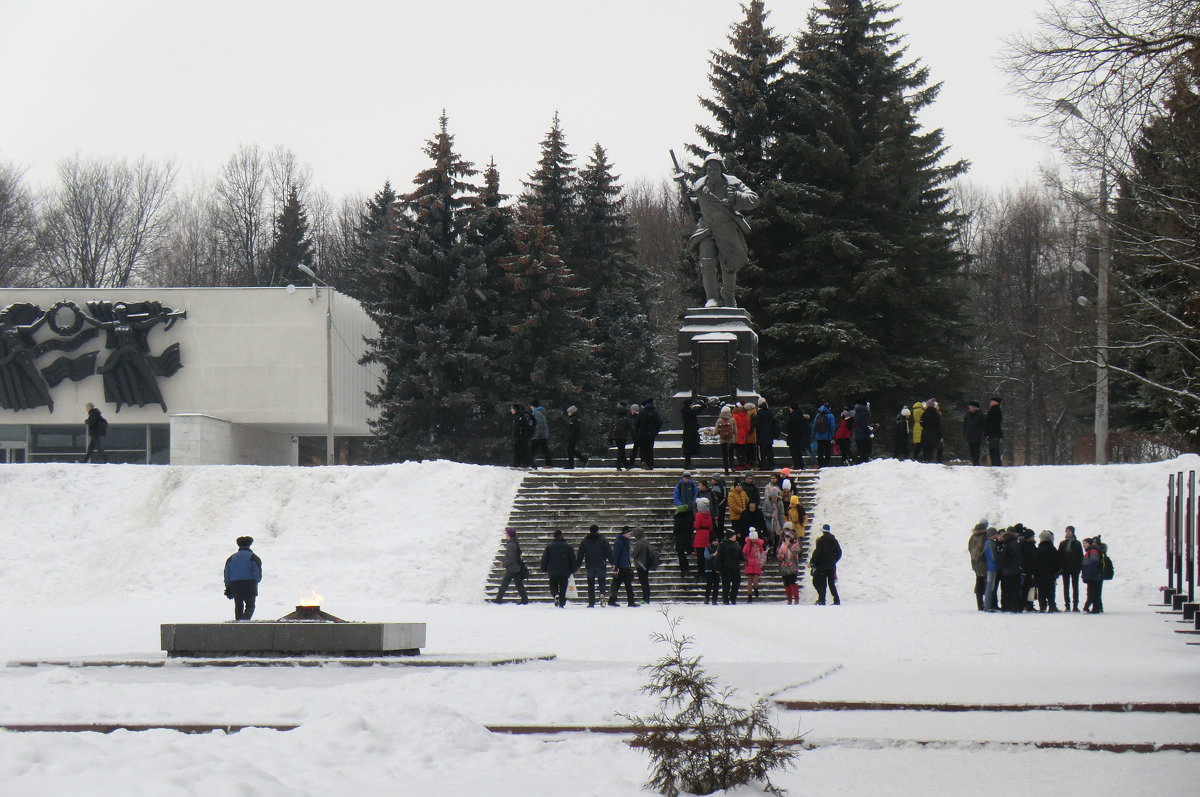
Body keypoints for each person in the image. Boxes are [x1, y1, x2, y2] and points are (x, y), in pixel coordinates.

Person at [684, 152, 760, 307]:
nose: (712, 172)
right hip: (706, 227)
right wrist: (687, 200)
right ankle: (711, 297)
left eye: (715, 169)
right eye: (709, 169)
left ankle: (728, 295)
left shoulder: (733, 183)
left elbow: (754, 199)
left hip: (727, 228)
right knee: (706, 261)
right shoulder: (699, 186)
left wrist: (736, 197)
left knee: (729, 264)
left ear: (721, 169)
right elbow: (695, 206)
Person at [223, 535, 263, 621]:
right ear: (250, 544)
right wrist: (257, 580)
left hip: (235, 585)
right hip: (250, 584)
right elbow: (257, 574)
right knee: (250, 606)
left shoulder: (231, 558)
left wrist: (228, 586)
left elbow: (227, 573)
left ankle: (238, 624)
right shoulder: (254, 557)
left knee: (238, 607)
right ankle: (244, 623)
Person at [576, 525, 612, 608]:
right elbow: (609, 553)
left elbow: (580, 554)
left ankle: (591, 602)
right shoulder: (603, 540)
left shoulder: (585, 541)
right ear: (597, 531)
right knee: (602, 582)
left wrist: (578, 565)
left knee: (590, 584)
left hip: (590, 565)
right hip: (601, 564)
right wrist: (612, 563)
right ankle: (602, 594)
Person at [540, 529, 577, 608]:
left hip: (552, 570)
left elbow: (545, 559)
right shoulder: (568, 547)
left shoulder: (549, 547)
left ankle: (555, 594)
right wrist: (573, 569)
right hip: (565, 570)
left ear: (554, 536)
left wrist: (543, 568)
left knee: (553, 584)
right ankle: (562, 602)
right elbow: (572, 559)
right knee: (563, 586)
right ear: (562, 535)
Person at [494, 527, 529, 604]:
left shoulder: (511, 544)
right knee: (518, 584)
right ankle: (525, 599)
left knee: (504, 584)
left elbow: (511, 558)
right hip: (516, 567)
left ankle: (498, 599)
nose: (505, 535)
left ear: (509, 535)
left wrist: (504, 564)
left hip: (512, 568)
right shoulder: (514, 542)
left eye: (506, 534)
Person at [810, 524, 842, 605]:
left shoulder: (820, 541)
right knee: (832, 584)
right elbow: (839, 553)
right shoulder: (834, 541)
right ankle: (836, 600)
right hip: (831, 566)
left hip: (822, 566)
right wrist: (833, 561)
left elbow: (818, 553)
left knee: (822, 584)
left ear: (823, 531)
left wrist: (813, 562)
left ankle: (822, 600)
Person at [608, 527, 638, 607]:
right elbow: (615, 555)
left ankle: (612, 600)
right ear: (625, 533)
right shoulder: (619, 542)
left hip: (625, 566)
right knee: (627, 585)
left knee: (617, 584)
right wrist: (615, 567)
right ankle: (631, 601)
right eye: (630, 533)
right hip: (622, 567)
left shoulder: (626, 541)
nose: (631, 535)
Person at [1058, 525, 1084, 612]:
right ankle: (1067, 605)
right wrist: (1060, 567)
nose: (1068, 533)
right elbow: (1060, 556)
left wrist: (1079, 567)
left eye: (1070, 531)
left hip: (1075, 568)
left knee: (1075, 587)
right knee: (1066, 587)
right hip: (1065, 568)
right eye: (1067, 531)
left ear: (1073, 532)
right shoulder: (1062, 543)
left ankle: (1075, 605)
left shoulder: (1077, 543)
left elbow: (1080, 556)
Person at [715, 530, 745, 604]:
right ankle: (725, 599)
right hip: (725, 567)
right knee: (726, 584)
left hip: (735, 567)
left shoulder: (737, 544)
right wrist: (717, 567)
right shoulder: (722, 544)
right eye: (733, 535)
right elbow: (718, 556)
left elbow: (741, 554)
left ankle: (733, 597)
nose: (735, 536)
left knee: (736, 583)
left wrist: (744, 559)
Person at [1035, 530, 1061, 612]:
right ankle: (1052, 605)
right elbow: (1057, 562)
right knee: (1051, 590)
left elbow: (1036, 561)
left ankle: (1042, 606)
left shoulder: (1039, 549)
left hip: (1041, 573)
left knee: (1042, 591)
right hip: (1051, 573)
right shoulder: (1053, 549)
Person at [777, 527, 803, 605]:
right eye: (785, 537)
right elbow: (778, 554)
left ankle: (796, 598)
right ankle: (789, 599)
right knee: (786, 583)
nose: (786, 539)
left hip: (792, 566)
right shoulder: (782, 545)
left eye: (788, 537)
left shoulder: (795, 544)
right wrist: (780, 556)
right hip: (784, 566)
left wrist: (789, 546)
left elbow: (796, 553)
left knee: (792, 582)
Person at [631, 528, 657, 604]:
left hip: (641, 564)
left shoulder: (639, 543)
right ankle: (646, 598)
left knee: (643, 582)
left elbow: (633, 554)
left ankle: (645, 598)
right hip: (645, 564)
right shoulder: (645, 541)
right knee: (645, 581)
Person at [968, 520, 989, 611]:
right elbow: (986, 549)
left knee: (978, 581)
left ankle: (980, 604)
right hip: (983, 562)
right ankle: (987, 604)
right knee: (986, 582)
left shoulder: (973, 536)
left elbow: (969, 548)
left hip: (975, 562)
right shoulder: (985, 536)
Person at [637, 398, 663, 470]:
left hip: (642, 433)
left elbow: (637, 423)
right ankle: (650, 464)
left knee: (643, 448)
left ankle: (643, 461)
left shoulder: (641, 412)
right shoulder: (655, 412)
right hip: (651, 434)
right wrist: (655, 431)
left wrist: (638, 432)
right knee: (650, 449)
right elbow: (659, 423)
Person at [1081, 537, 1104, 613]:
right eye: (1083, 544)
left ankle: (1087, 607)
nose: (1084, 545)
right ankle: (1096, 608)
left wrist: (1089, 574)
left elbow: (1094, 563)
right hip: (1091, 575)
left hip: (1092, 576)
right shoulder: (1089, 551)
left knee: (1091, 592)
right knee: (1093, 592)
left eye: (1085, 543)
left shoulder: (1093, 551)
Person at [742, 529, 766, 602]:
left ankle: (756, 588)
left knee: (755, 580)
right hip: (749, 564)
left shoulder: (760, 545)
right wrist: (744, 561)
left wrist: (762, 562)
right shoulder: (747, 546)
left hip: (756, 564)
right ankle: (749, 596)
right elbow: (743, 554)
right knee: (749, 581)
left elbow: (762, 554)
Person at [609, 402, 635, 471]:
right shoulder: (626, 416)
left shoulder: (615, 416)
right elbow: (630, 427)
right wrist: (634, 436)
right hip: (623, 435)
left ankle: (626, 465)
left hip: (615, 435)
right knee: (621, 450)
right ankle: (618, 465)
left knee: (621, 450)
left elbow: (611, 426)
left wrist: (610, 437)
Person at [681, 397, 704, 470]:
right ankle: (687, 465)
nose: (692, 405)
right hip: (690, 432)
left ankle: (688, 464)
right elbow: (695, 412)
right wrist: (703, 406)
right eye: (691, 404)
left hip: (689, 432)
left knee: (688, 450)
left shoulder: (686, 411)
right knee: (688, 450)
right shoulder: (688, 412)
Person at [784, 403, 810, 469]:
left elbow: (788, 426)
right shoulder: (800, 415)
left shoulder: (792, 416)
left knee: (794, 451)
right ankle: (801, 464)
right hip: (799, 436)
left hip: (793, 436)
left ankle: (796, 464)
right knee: (798, 451)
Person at [693, 497, 713, 579]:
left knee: (700, 556)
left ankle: (700, 572)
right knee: (705, 555)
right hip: (707, 535)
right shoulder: (709, 515)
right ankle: (705, 571)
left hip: (699, 536)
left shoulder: (698, 515)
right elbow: (711, 527)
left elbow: (696, 525)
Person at [812, 402, 836, 468]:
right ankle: (826, 463)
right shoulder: (830, 416)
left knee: (820, 451)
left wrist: (814, 434)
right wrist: (833, 435)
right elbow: (832, 426)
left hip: (819, 436)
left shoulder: (818, 415)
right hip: (827, 436)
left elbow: (814, 426)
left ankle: (820, 463)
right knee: (827, 450)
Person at [983, 528, 1001, 611]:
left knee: (990, 586)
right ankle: (987, 606)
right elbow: (993, 556)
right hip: (992, 567)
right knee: (990, 586)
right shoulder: (990, 543)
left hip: (990, 566)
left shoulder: (987, 542)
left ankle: (988, 605)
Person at [530, 401, 553, 468]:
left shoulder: (537, 413)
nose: (530, 407)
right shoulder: (538, 412)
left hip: (540, 435)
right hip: (541, 434)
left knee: (537, 449)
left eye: (531, 406)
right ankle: (530, 463)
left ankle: (549, 464)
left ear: (533, 406)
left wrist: (536, 435)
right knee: (535, 449)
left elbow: (539, 425)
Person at [511, 403, 534, 468]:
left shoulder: (521, 416)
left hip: (522, 437)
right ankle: (517, 463)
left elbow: (524, 427)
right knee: (517, 450)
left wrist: (523, 436)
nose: (511, 410)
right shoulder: (517, 416)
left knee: (523, 450)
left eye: (512, 409)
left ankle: (526, 463)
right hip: (518, 437)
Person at [963, 401, 985, 466]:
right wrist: (965, 433)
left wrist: (979, 433)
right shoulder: (967, 415)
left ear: (976, 407)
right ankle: (974, 462)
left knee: (976, 450)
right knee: (971, 450)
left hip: (977, 436)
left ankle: (976, 463)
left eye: (971, 406)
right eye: (969, 406)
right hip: (969, 435)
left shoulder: (980, 415)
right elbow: (964, 424)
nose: (969, 407)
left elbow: (983, 425)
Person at [715, 405, 737, 473]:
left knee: (725, 455)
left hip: (723, 440)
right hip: (731, 440)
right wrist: (735, 438)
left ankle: (726, 469)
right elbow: (735, 431)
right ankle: (732, 466)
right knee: (731, 454)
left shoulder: (719, 420)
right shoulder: (732, 419)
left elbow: (716, 432)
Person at [756, 398, 776, 468]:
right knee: (769, 449)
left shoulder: (759, 412)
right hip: (769, 432)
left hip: (761, 433)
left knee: (762, 450)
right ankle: (771, 464)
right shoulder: (769, 411)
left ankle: (763, 465)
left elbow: (757, 423)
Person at [703, 536, 723, 604]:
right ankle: (707, 597)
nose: (717, 542)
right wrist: (713, 555)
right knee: (709, 584)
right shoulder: (708, 548)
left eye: (717, 541)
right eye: (715, 541)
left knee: (716, 585)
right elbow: (707, 556)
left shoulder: (719, 548)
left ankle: (714, 599)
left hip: (716, 569)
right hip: (709, 568)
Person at [732, 403, 751, 470]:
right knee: (743, 451)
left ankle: (739, 464)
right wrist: (745, 434)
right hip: (743, 435)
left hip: (737, 435)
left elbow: (733, 426)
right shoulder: (745, 416)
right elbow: (748, 427)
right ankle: (744, 463)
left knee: (738, 451)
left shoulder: (734, 416)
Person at [985, 397, 1004, 466]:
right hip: (994, 433)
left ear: (996, 402)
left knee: (993, 449)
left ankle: (995, 463)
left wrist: (989, 431)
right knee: (994, 448)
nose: (990, 402)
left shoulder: (995, 410)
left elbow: (994, 422)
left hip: (994, 433)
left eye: (992, 401)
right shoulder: (994, 409)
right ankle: (996, 463)